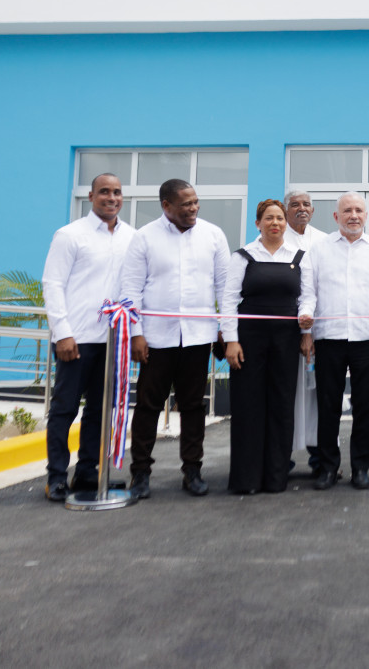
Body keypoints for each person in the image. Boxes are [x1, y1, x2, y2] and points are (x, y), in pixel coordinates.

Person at [120, 178, 231, 499]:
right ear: (166, 205)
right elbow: (131, 288)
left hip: (198, 337)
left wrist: (226, 328)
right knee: (148, 406)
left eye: (195, 202)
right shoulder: (144, 237)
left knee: (193, 407)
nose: (193, 208)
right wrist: (136, 334)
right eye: (185, 204)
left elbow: (225, 286)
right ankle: (140, 473)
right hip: (155, 339)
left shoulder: (213, 235)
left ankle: (192, 470)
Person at [41, 173, 135, 502]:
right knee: (64, 409)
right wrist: (62, 333)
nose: (112, 197)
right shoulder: (70, 235)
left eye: (117, 192)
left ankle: (87, 473)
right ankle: (56, 477)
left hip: (113, 340)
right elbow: (52, 284)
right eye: (104, 191)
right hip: (76, 338)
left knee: (100, 410)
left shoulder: (132, 237)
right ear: (91, 196)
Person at [298, 192, 369, 490]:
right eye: (347, 210)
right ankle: (328, 468)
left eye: (358, 210)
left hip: (368, 340)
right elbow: (308, 292)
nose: (353, 215)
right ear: (336, 216)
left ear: (366, 215)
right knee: (328, 406)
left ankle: (360, 468)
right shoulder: (318, 249)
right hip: (329, 338)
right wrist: (306, 328)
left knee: (365, 408)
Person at [221, 199, 305, 494]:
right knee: (248, 405)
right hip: (248, 340)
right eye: (269, 218)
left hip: (287, 339)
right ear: (258, 223)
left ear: (285, 222)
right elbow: (229, 300)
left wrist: (307, 327)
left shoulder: (299, 256)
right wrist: (231, 341)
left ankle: (276, 478)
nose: (275, 223)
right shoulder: (243, 256)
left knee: (282, 404)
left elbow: (307, 297)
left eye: (280, 218)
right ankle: (246, 479)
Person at [282, 188, 324, 479]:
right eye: (295, 204)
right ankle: (280, 457)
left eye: (306, 204)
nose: (301, 208)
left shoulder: (323, 240)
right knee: (287, 394)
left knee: (317, 396)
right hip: (285, 330)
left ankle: (320, 458)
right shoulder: (276, 237)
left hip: (319, 329)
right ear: (285, 210)